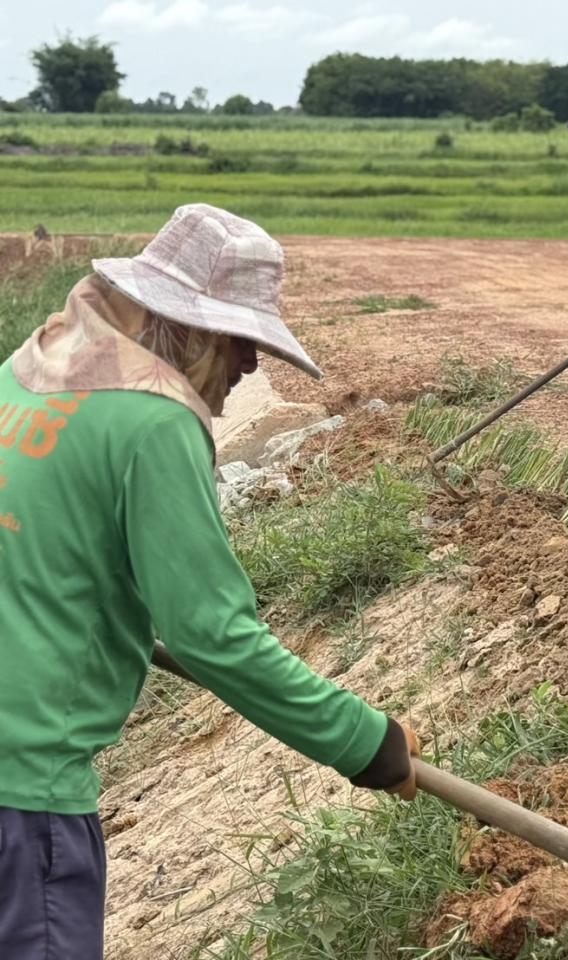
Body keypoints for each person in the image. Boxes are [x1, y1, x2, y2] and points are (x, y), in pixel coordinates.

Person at [0, 204, 420, 959]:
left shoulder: (24, 374)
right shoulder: (153, 424)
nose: (252, 366)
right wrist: (366, 742)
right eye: (241, 342)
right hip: (23, 798)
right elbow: (210, 633)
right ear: (190, 330)